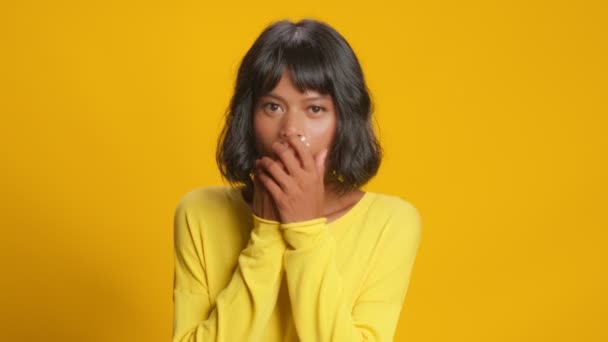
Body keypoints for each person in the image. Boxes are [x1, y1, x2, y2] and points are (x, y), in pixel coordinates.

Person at [172, 18, 422, 342]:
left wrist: (305, 232)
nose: (291, 129)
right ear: (249, 116)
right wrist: (266, 234)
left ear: (344, 120)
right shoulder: (199, 212)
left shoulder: (392, 223)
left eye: (315, 109)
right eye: (273, 106)